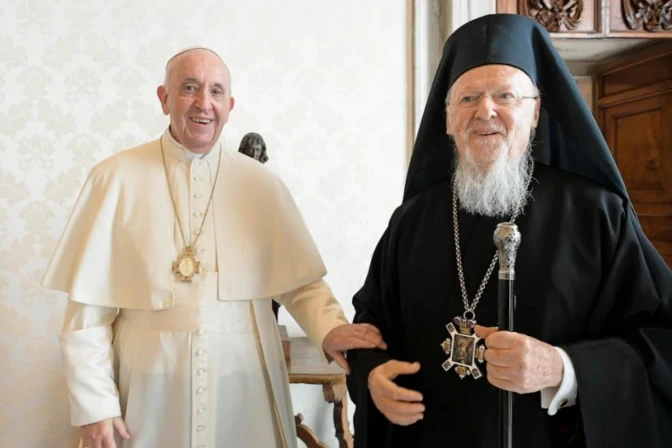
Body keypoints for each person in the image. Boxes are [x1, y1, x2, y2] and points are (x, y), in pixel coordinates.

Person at [346, 14, 672, 448]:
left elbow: (662, 342)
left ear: (535, 111)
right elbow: (371, 324)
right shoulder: (412, 220)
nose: (485, 110)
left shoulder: (598, 215)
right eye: (467, 98)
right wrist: (372, 374)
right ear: (446, 120)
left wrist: (563, 368)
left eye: (505, 95)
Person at [42, 47, 386, 448]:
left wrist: (330, 329)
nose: (204, 103)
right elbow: (87, 313)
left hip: (245, 385)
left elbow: (301, 284)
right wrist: (96, 406)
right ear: (164, 98)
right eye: (189, 88)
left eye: (216, 92)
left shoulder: (261, 185)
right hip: (147, 390)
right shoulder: (114, 178)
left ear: (230, 105)